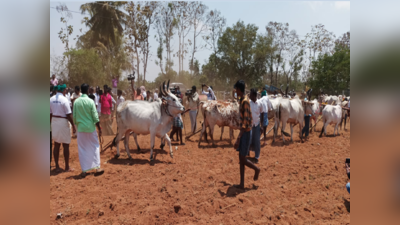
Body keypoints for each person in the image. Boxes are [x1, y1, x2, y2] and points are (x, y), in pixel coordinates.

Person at [73, 83, 104, 178]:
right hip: (91, 128)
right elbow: (95, 117)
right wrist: (99, 128)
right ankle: (97, 167)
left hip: (81, 129)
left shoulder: (76, 102)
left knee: (82, 149)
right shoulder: (90, 102)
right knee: (95, 146)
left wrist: (77, 126)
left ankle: (84, 171)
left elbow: (74, 117)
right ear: (87, 91)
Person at [233, 80, 260, 189]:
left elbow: (246, 121)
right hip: (246, 132)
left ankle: (256, 169)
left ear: (239, 90)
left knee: (243, 159)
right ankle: (242, 183)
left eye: (236, 89)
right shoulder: (243, 100)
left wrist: (238, 138)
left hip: (246, 133)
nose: (235, 91)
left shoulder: (244, 101)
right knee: (241, 158)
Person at [50, 84, 76, 173]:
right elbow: (69, 114)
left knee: (56, 144)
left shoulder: (51, 99)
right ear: (64, 90)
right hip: (63, 122)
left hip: (54, 121)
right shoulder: (65, 100)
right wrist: (74, 125)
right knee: (66, 145)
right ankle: (67, 167)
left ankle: (57, 166)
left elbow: (49, 113)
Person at [249, 88, 263, 164]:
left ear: (254, 95)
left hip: (257, 125)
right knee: (249, 139)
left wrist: (262, 126)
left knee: (257, 141)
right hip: (250, 125)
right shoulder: (249, 103)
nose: (249, 95)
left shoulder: (260, 103)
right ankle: (247, 154)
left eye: (250, 94)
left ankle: (257, 157)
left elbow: (262, 114)